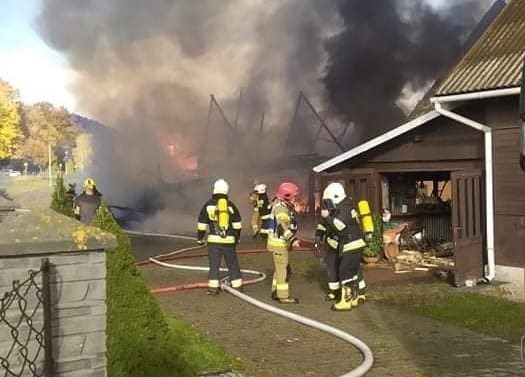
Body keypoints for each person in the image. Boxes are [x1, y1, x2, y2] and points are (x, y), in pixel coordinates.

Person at [315, 182, 370, 311]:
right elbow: (324, 224)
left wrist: (328, 217)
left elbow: (339, 226)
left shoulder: (345, 209)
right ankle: (354, 296)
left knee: (346, 271)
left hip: (352, 244)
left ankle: (347, 300)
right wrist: (319, 235)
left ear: (335, 197)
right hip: (348, 244)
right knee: (348, 271)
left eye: (328, 201)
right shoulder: (340, 206)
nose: (327, 204)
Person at [197, 179, 243, 295]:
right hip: (229, 241)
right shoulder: (231, 206)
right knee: (232, 264)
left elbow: (202, 225)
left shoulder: (208, 205)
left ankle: (213, 289)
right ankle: (237, 287)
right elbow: (237, 225)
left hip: (213, 242)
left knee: (214, 265)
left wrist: (200, 238)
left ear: (214, 190)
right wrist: (236, 238)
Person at [267, 181, 301, 304]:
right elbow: (282, 226)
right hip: (279, 244)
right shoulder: (281, 208)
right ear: (287, 196)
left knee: (279, 269)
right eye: (294, 197)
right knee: (283, 271)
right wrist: (292, 240)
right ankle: (283, 296)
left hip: (279, 244)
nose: (295, 199)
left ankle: (275, 291)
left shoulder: (281, 205)